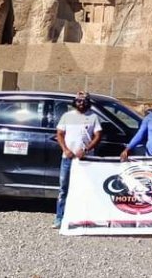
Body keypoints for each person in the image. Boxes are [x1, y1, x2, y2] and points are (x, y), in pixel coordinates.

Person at [54, 91, 102, 229]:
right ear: (75, 102)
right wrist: (66, 150)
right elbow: (60, 134)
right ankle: (60, 218)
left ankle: (84, 218)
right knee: (64, 188)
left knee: (87, 188)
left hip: (86, 159)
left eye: (84, 101)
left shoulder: (93, 117)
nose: (81, 103)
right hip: (68, 158)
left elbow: (98, 135)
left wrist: (86, 149)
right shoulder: (67, 116)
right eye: (79, 101)